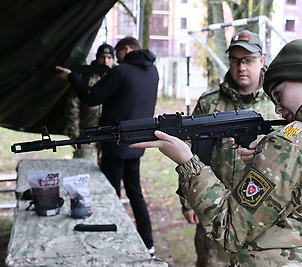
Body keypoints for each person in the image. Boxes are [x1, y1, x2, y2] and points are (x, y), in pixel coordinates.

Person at [131, 39, 302, 265]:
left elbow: (230, 230)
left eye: (279, 95)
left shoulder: (288, 146)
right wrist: (271, 163)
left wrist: (188, 163)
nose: (278, 109)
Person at [180, 30, 279, 266]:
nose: (241, 67)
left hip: (264, 213)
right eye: (235, 60)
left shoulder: (279, 101)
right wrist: (188, 199)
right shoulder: (209, 102)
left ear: (262, 60)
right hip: (214, 206)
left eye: (248, 60)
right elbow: (190, 152)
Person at [56, 37, 159, 257]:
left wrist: (72, 77)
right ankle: (148, 244)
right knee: (135, 195)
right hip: (138, 143)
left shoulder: (121, 72)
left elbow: (91, 97)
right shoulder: (153, 72)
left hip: (115, 143)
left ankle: (113, 242)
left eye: (118, 52)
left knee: (110, 195)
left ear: (127, 49)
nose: (115, 58)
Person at [64, 43, 115, 160]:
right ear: (97, 58)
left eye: (109, 58)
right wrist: (74, 135)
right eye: (103, 57)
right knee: (84, 169)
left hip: (109, 135)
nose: (105, 61)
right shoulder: (85, 77)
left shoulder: (116, 77)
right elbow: (73, 107)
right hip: (87, 134)